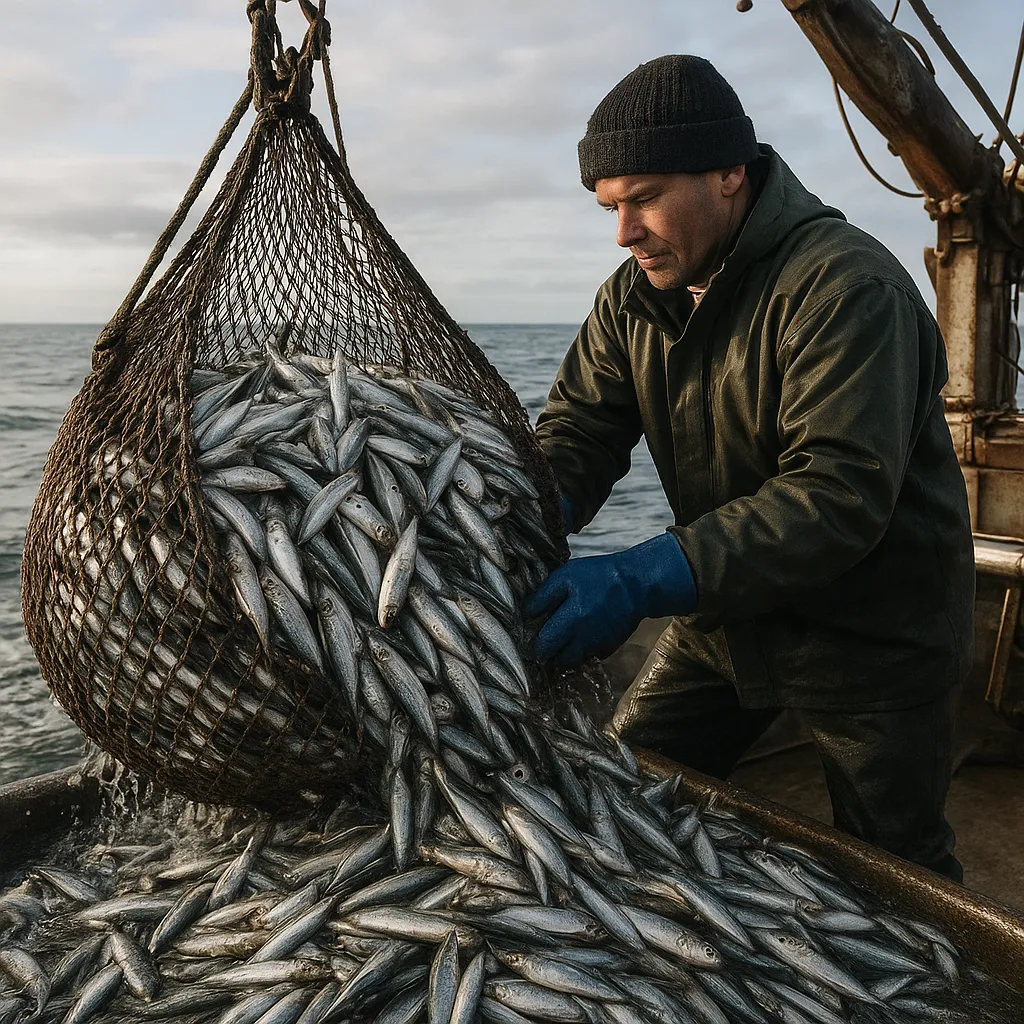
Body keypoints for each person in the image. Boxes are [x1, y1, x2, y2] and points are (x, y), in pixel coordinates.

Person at [527, 54, 975, 882]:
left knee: (893, 875)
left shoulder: (847, 286)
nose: (623, 233)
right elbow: (580, 431)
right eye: (609, 207)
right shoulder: (634, 297)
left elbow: (837, 497)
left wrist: (643, 575)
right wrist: (528, 507)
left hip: (874, 635)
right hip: (730, 619)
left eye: (644, 199)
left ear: (731, 171)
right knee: (616, 789)